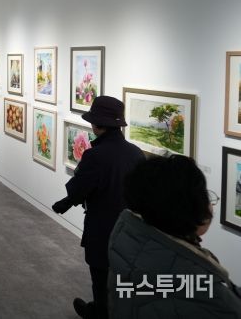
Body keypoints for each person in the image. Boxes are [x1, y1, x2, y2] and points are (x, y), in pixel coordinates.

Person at [109, 155, 241, 317]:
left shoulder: (132, 240)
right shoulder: (205, 293)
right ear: (185, 209)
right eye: (203, 195)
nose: (210, 204)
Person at [51, 95, 145, 319]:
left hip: (102, 229)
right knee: (123, 278)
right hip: (131, 230)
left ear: (97, 124)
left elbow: (78, 189)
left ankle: (99, 312)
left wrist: (66, 201)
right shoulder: (136, 153)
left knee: (100, 277)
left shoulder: (95, 155)